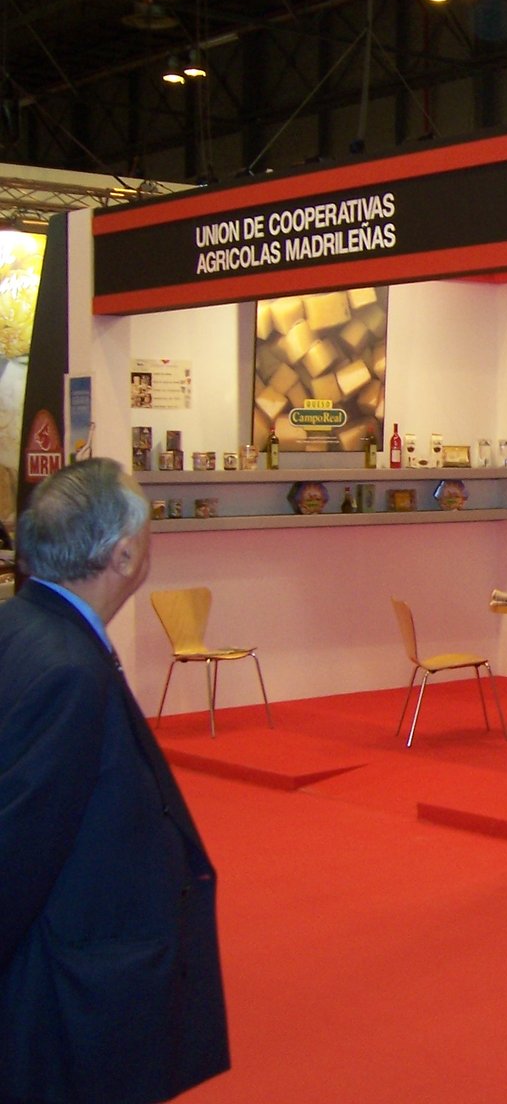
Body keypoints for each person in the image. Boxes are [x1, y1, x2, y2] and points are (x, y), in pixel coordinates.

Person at [0, 459, 229, 1104]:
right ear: (124, 555)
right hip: (69, 983)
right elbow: (17, 849)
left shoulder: (22, 625)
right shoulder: (68, 671)